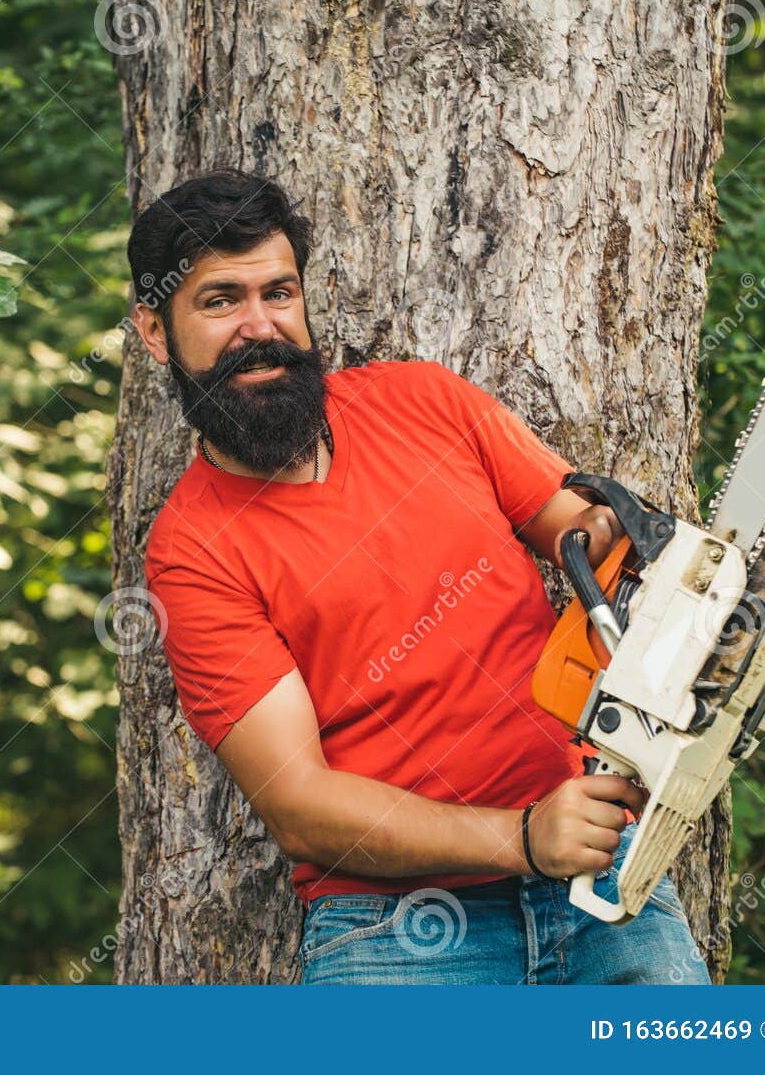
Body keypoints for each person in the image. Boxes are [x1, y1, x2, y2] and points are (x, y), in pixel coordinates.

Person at [130, 169, 709, 985]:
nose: (258, 327)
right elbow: (298, 805)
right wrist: (523, 838)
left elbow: (586, 538)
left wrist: (673, 581)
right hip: (395, 932)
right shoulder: (193, 551)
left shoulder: (421, 401)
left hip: (605, 875)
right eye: (220, 300)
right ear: (156, 331)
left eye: (279, 292)